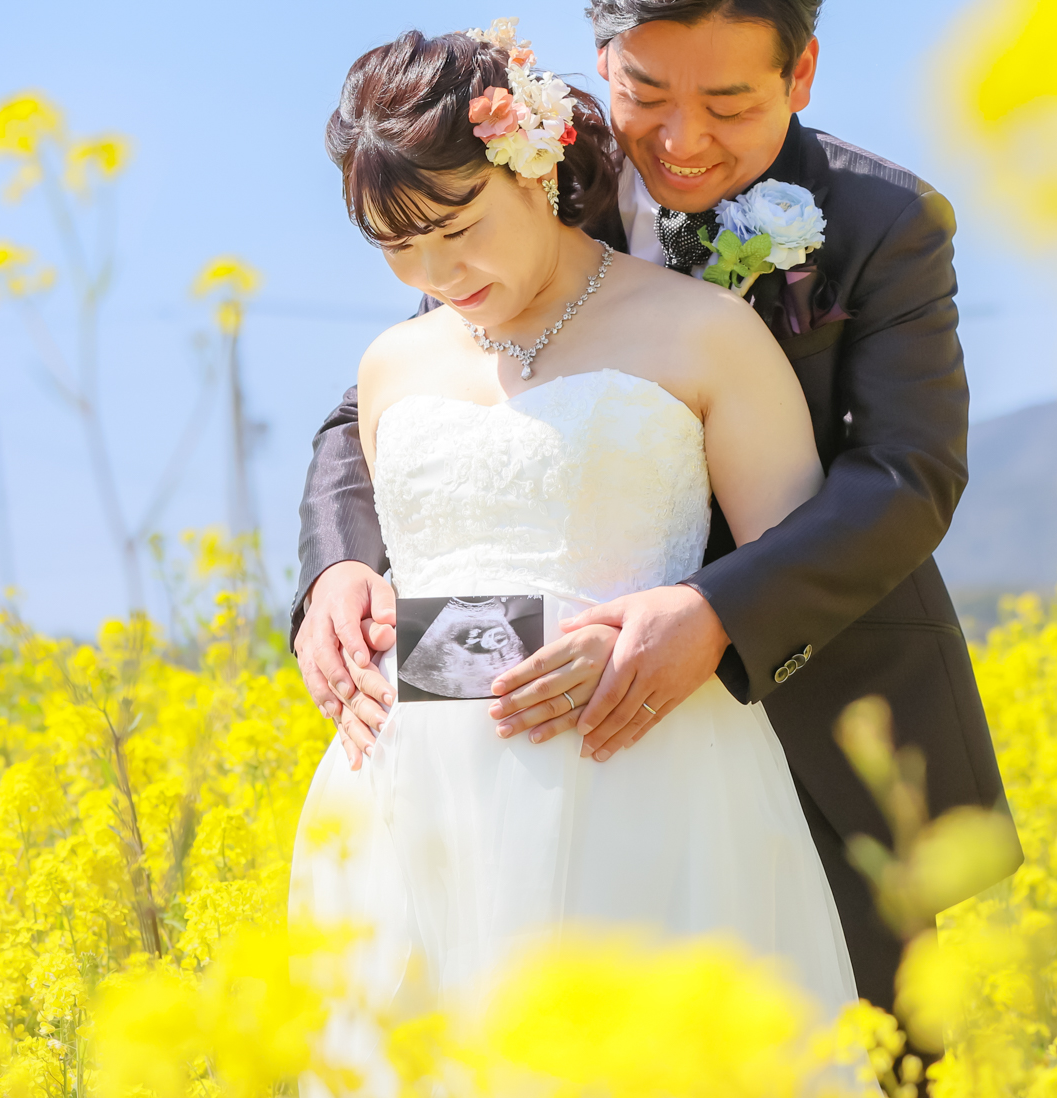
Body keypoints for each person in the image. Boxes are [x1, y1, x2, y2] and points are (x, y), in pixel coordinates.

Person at [293, 0, 1018, 1029]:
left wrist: (717, 610)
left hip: (803, 705)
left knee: (848, 1070)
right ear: (601, 64)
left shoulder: (881, 221)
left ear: (801, 73)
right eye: (645, 93)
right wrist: (337, 568)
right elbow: (401, 401)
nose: (682, 138)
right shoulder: (509, 187)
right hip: (493, 752)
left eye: (728, 103)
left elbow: (909, 473)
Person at [291, 24, 858, 1098]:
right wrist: (348, 603)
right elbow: (429, 579)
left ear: (535, 164)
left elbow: (798, 566)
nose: (435, 271)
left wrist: (680, 623)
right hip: (418, 807)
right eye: (397, 246)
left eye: (458, 227)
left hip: (644, 773)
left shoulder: (701, 331)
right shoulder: (391, 365)